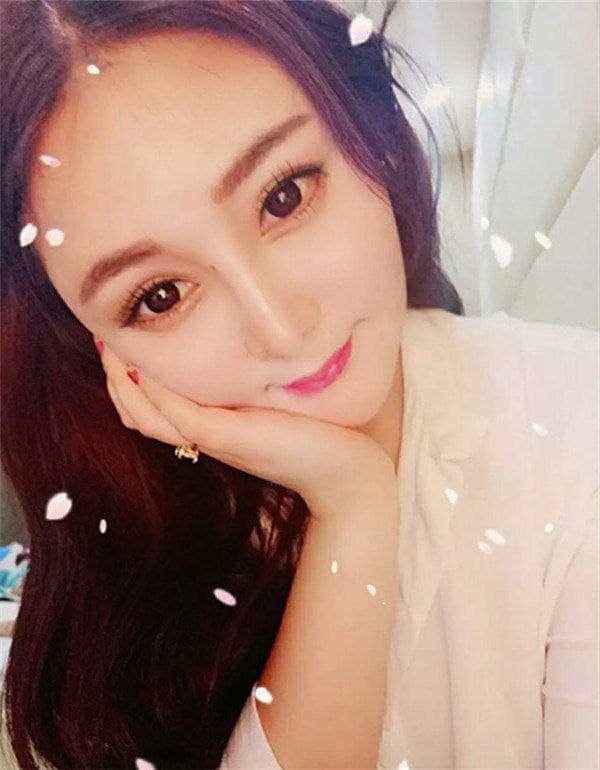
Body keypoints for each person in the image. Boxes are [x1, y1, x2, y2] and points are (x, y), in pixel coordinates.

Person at [0, 1, 597, 769]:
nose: (280, 328)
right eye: (161, 296)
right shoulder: (127, 538)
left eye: (284, 196)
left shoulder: (578, 431)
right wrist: (353, 505)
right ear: (92, 346)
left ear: (371, 140)